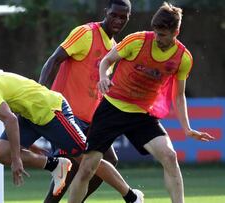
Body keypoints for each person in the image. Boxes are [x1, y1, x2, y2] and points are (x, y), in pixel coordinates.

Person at [67, 2, 215, 203]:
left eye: (163, 35)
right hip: (112, 108)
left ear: (176, 32)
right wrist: (103, 77)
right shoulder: (136, 41)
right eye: (155, 32)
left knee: (170, 157)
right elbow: (106, 61)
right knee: (86, 169)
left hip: (141, 115)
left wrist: (187, 129)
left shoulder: (183, 58)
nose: (157, 38)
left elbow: (178, 95)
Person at [0, 72, 144, 203]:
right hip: (31, 116)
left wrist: (18, 159)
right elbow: (16, 105)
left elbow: (10, 119)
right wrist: (27, 150)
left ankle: (132, 196)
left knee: (88, 158)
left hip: (52, 111)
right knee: (2, 153)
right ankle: (56, 165)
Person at [38, 0, 131, 202]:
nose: (118, 20)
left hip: (93, 120)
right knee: (70, 167)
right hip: (67, 114)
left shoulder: (114, 48)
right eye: (114, 15)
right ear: (106, 12)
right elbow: (54, 60)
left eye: (123, 17)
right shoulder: (86, 33)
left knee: (108, 161)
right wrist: (40, 93)